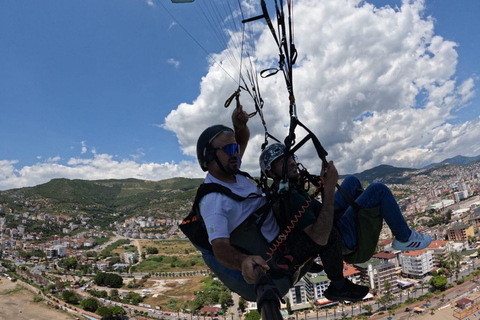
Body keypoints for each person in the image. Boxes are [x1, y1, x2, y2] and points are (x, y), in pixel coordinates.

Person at [195, 107, 369, 302]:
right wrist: (242, 261)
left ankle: (313, 261)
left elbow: (240, 140)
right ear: (209, 156)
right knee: (327, 234)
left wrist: (239, 127)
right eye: (229, 150)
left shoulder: (230, 171)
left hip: (280, 230)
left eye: (235, 149)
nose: (236, 153)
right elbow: (220, 248)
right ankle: (338, 285)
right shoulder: (213, 201)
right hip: (278, 251)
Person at [259, 143, 432, 267]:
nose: (291, 162)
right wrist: (328, 188)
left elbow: (311, 209)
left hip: (332, 226)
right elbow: (320, 235)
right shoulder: (292, 198)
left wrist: (322, 182)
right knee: (379, 189)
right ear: (270, 172)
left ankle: (365, 215)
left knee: (351, 180)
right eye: (283, 161)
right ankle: (404, 238)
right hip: (338, 238)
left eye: (291, 157)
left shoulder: (285, 191)